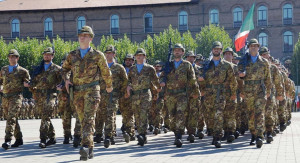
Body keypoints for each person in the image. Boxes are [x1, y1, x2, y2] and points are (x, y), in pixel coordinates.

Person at [62, 26, 113, 161]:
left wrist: (109, 86)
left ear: (91, 38)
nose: (82, 37)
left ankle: (84, 146)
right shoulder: (72, 55)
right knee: (82, 119)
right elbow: (64, 69)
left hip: (92, 90)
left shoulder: (97, 55)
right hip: (77, 91)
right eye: (80, 35)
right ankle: (90, 148)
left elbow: (106, 72)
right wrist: (67, 80)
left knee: (89, 118)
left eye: (85, 35)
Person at [160, 43, 200, 148]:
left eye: (179, 50)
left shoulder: (187, 65)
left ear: (183, 52)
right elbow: (162, 76)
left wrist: (196, 92)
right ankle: (176, 132)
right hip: (170, 95)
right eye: (175, 50)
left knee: (181, 113)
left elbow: (192, 80)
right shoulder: (168, 64)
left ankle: (179, 136)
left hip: (182, 94)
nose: (177, 52)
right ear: (173, 52)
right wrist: (162, 84)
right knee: (172, 116)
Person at [198, 42, 237, 148]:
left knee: (218, 115)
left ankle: (217, 138)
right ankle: (214, 132)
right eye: (214, 49)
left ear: (221, 51)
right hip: (208, 94)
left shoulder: (226, 65)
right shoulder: (206, 65)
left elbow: (232, 81)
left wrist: (233, 93)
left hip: (221, 94)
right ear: (212, 50)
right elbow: (200, 79)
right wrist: (201, 84)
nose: (216, 50)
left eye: (218, 49)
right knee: (210, 117)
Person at [238, 39, 272, 148]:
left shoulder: (264, 62)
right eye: (251, 46)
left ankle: (260, 136)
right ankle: (253, 133)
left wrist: (268, 91)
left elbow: (268, 78)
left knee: (260, 113)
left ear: (258, 47)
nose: (253, 48)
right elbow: (238, 77)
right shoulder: (243, 61)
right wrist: (240, 76)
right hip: (248, 91)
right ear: (248, 47)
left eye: (255, 46)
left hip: (260, 91)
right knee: (251, 114)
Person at [95, 45, 128, 148]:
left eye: (111, 53)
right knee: (99, 115)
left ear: (114, 54)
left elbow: (125, 81)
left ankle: (109, 136)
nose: (109, 55)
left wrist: (120, 92)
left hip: (113, 96)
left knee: (110, 115)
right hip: (101, 95)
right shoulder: (100, 67)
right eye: (107, 53)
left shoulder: (119, 67)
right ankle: (98, 133)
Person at [126, 48, 161, 146]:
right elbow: (129, 80)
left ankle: (142, 134)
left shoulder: (149, 68)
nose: (139, 57)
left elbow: (155, 80)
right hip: (135, 95)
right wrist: (128, 87)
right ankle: (141, 134)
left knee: (143, 114)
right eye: (137, 55)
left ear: (144, 57)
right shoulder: (132, 69)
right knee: (137, 115)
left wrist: (158, 90)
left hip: (145, 94)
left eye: (141, 55)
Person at [30, 47, 62, 148]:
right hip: (39, 95)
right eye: (45, 54)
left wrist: (61, 86)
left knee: (46, 115)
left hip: (51, 95)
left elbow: (63, 80)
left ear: (52, 56)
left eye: (48, 54)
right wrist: (30, 86)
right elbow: (33, 82)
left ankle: (43, 139)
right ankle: (52, 138)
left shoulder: (57, 69)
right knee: (45, 117)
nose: (46, 56)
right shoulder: (38, 69)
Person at [0, 49, 30, 150]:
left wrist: (27, 85)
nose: (11, 58)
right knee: (11, 118)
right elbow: (0, 81)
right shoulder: (3, 69)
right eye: (10, 56)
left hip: (16, 97)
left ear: (17, 58)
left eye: (14, 56)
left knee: (11, 117)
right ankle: (19, 138)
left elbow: (29, 83)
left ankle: (7, 140)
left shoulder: (23, 71)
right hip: (5, 97)